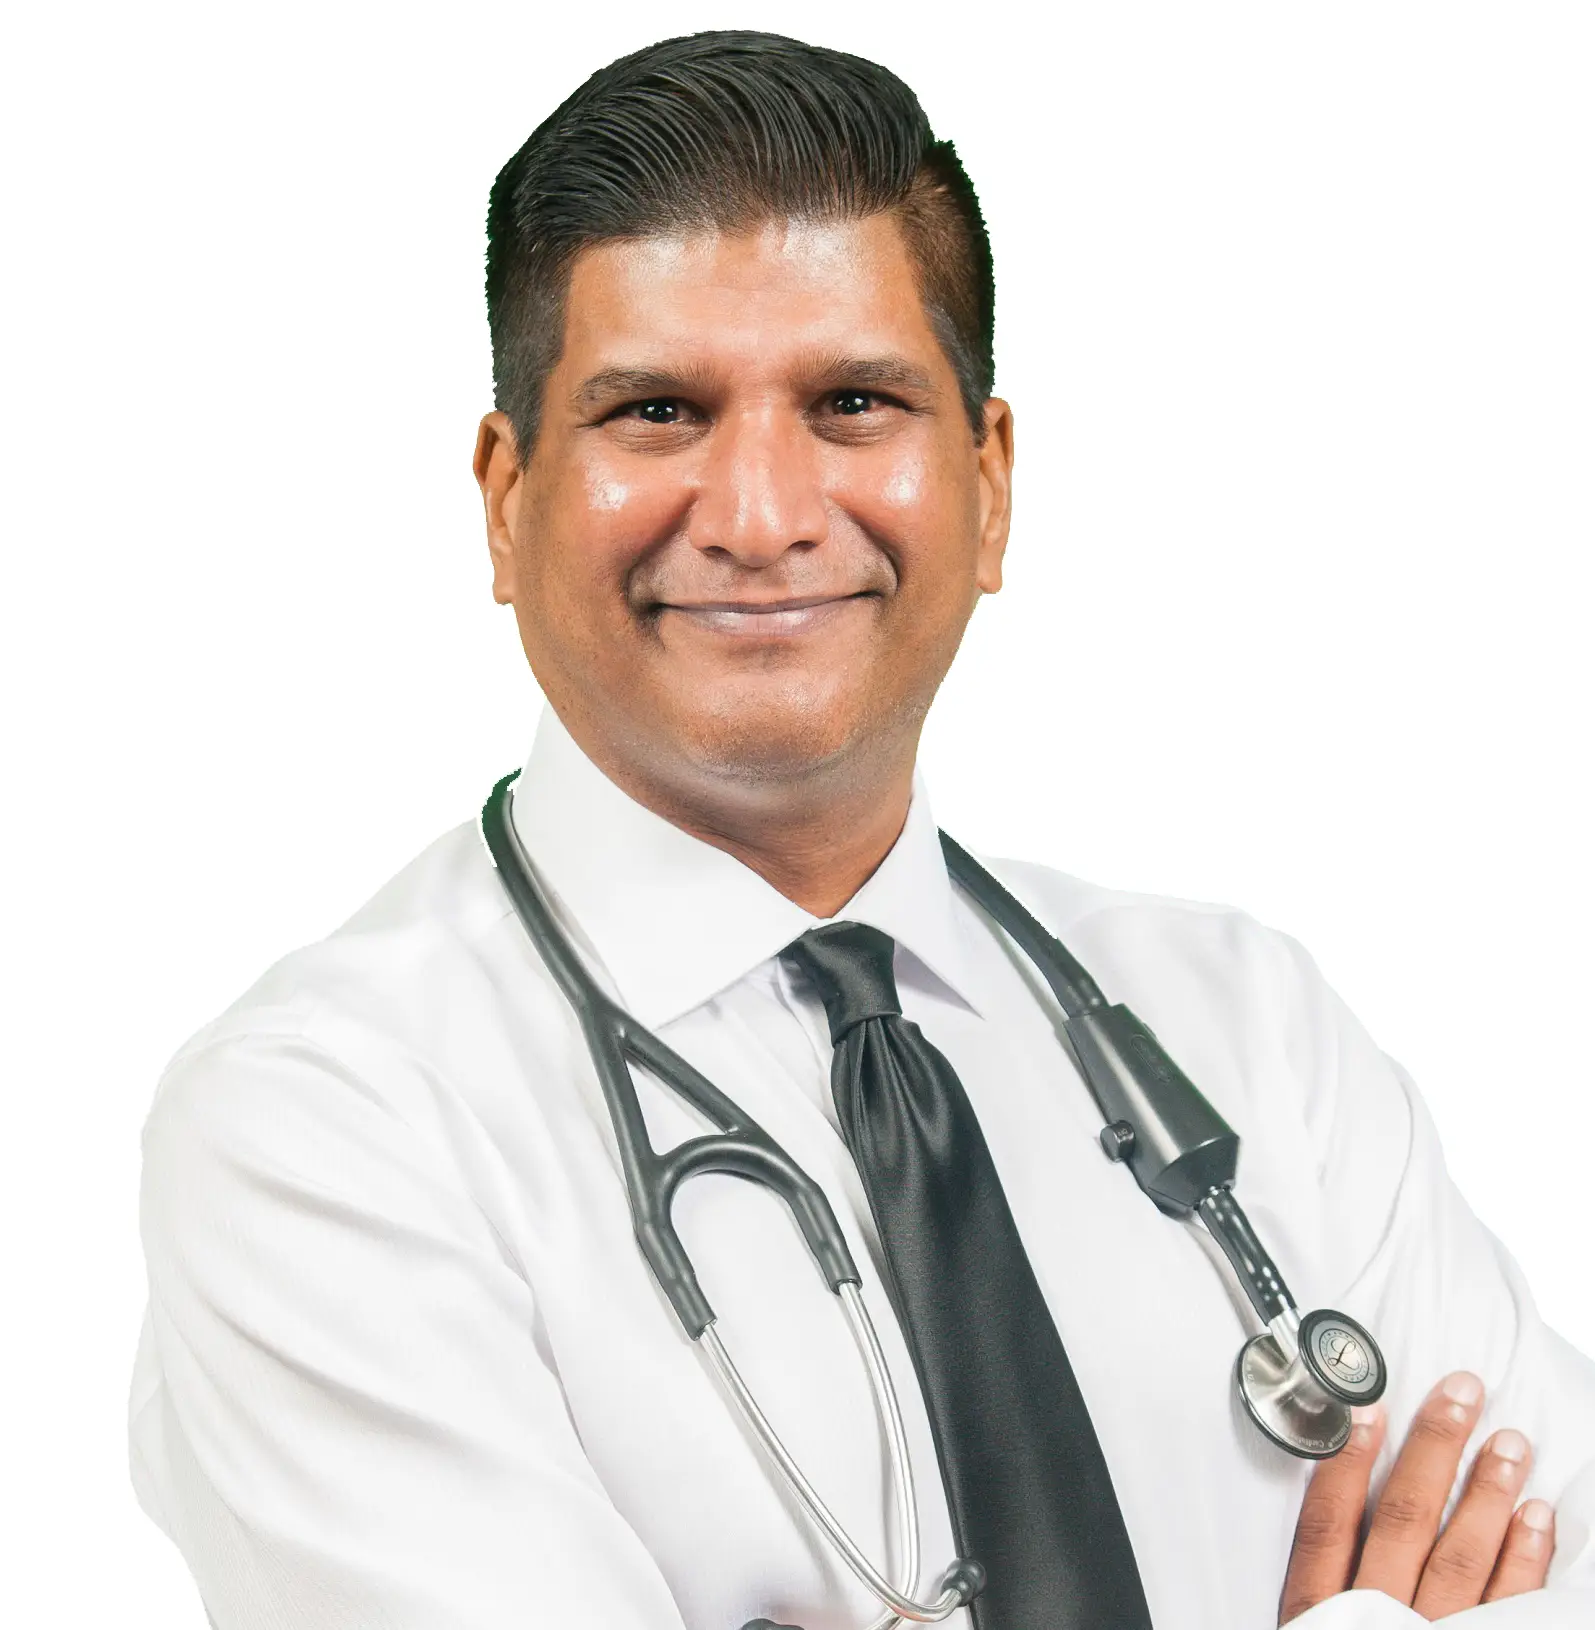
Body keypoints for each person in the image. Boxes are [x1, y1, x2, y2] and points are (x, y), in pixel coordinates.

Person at [127, 29, 1595, 1630]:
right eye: (657, 411)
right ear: (504, 494)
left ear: (988, 482)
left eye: (850, 399)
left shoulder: (1252, 1032)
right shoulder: (325, 1125)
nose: (760, 513)